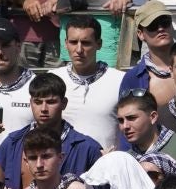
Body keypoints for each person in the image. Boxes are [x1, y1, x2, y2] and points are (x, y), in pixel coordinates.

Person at [50, 17, 126, 152]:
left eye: (86, 43)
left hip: (105, 162)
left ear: (99, 44)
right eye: (73, 42)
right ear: (66, 43)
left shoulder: (120, 80)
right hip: (62, 161)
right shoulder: (53, 77)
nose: (79, 49)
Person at [117, 91, 176, 164]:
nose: (125, 126)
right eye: (121, 120)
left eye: (131, 118)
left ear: (153, 117)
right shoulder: (125, 160)